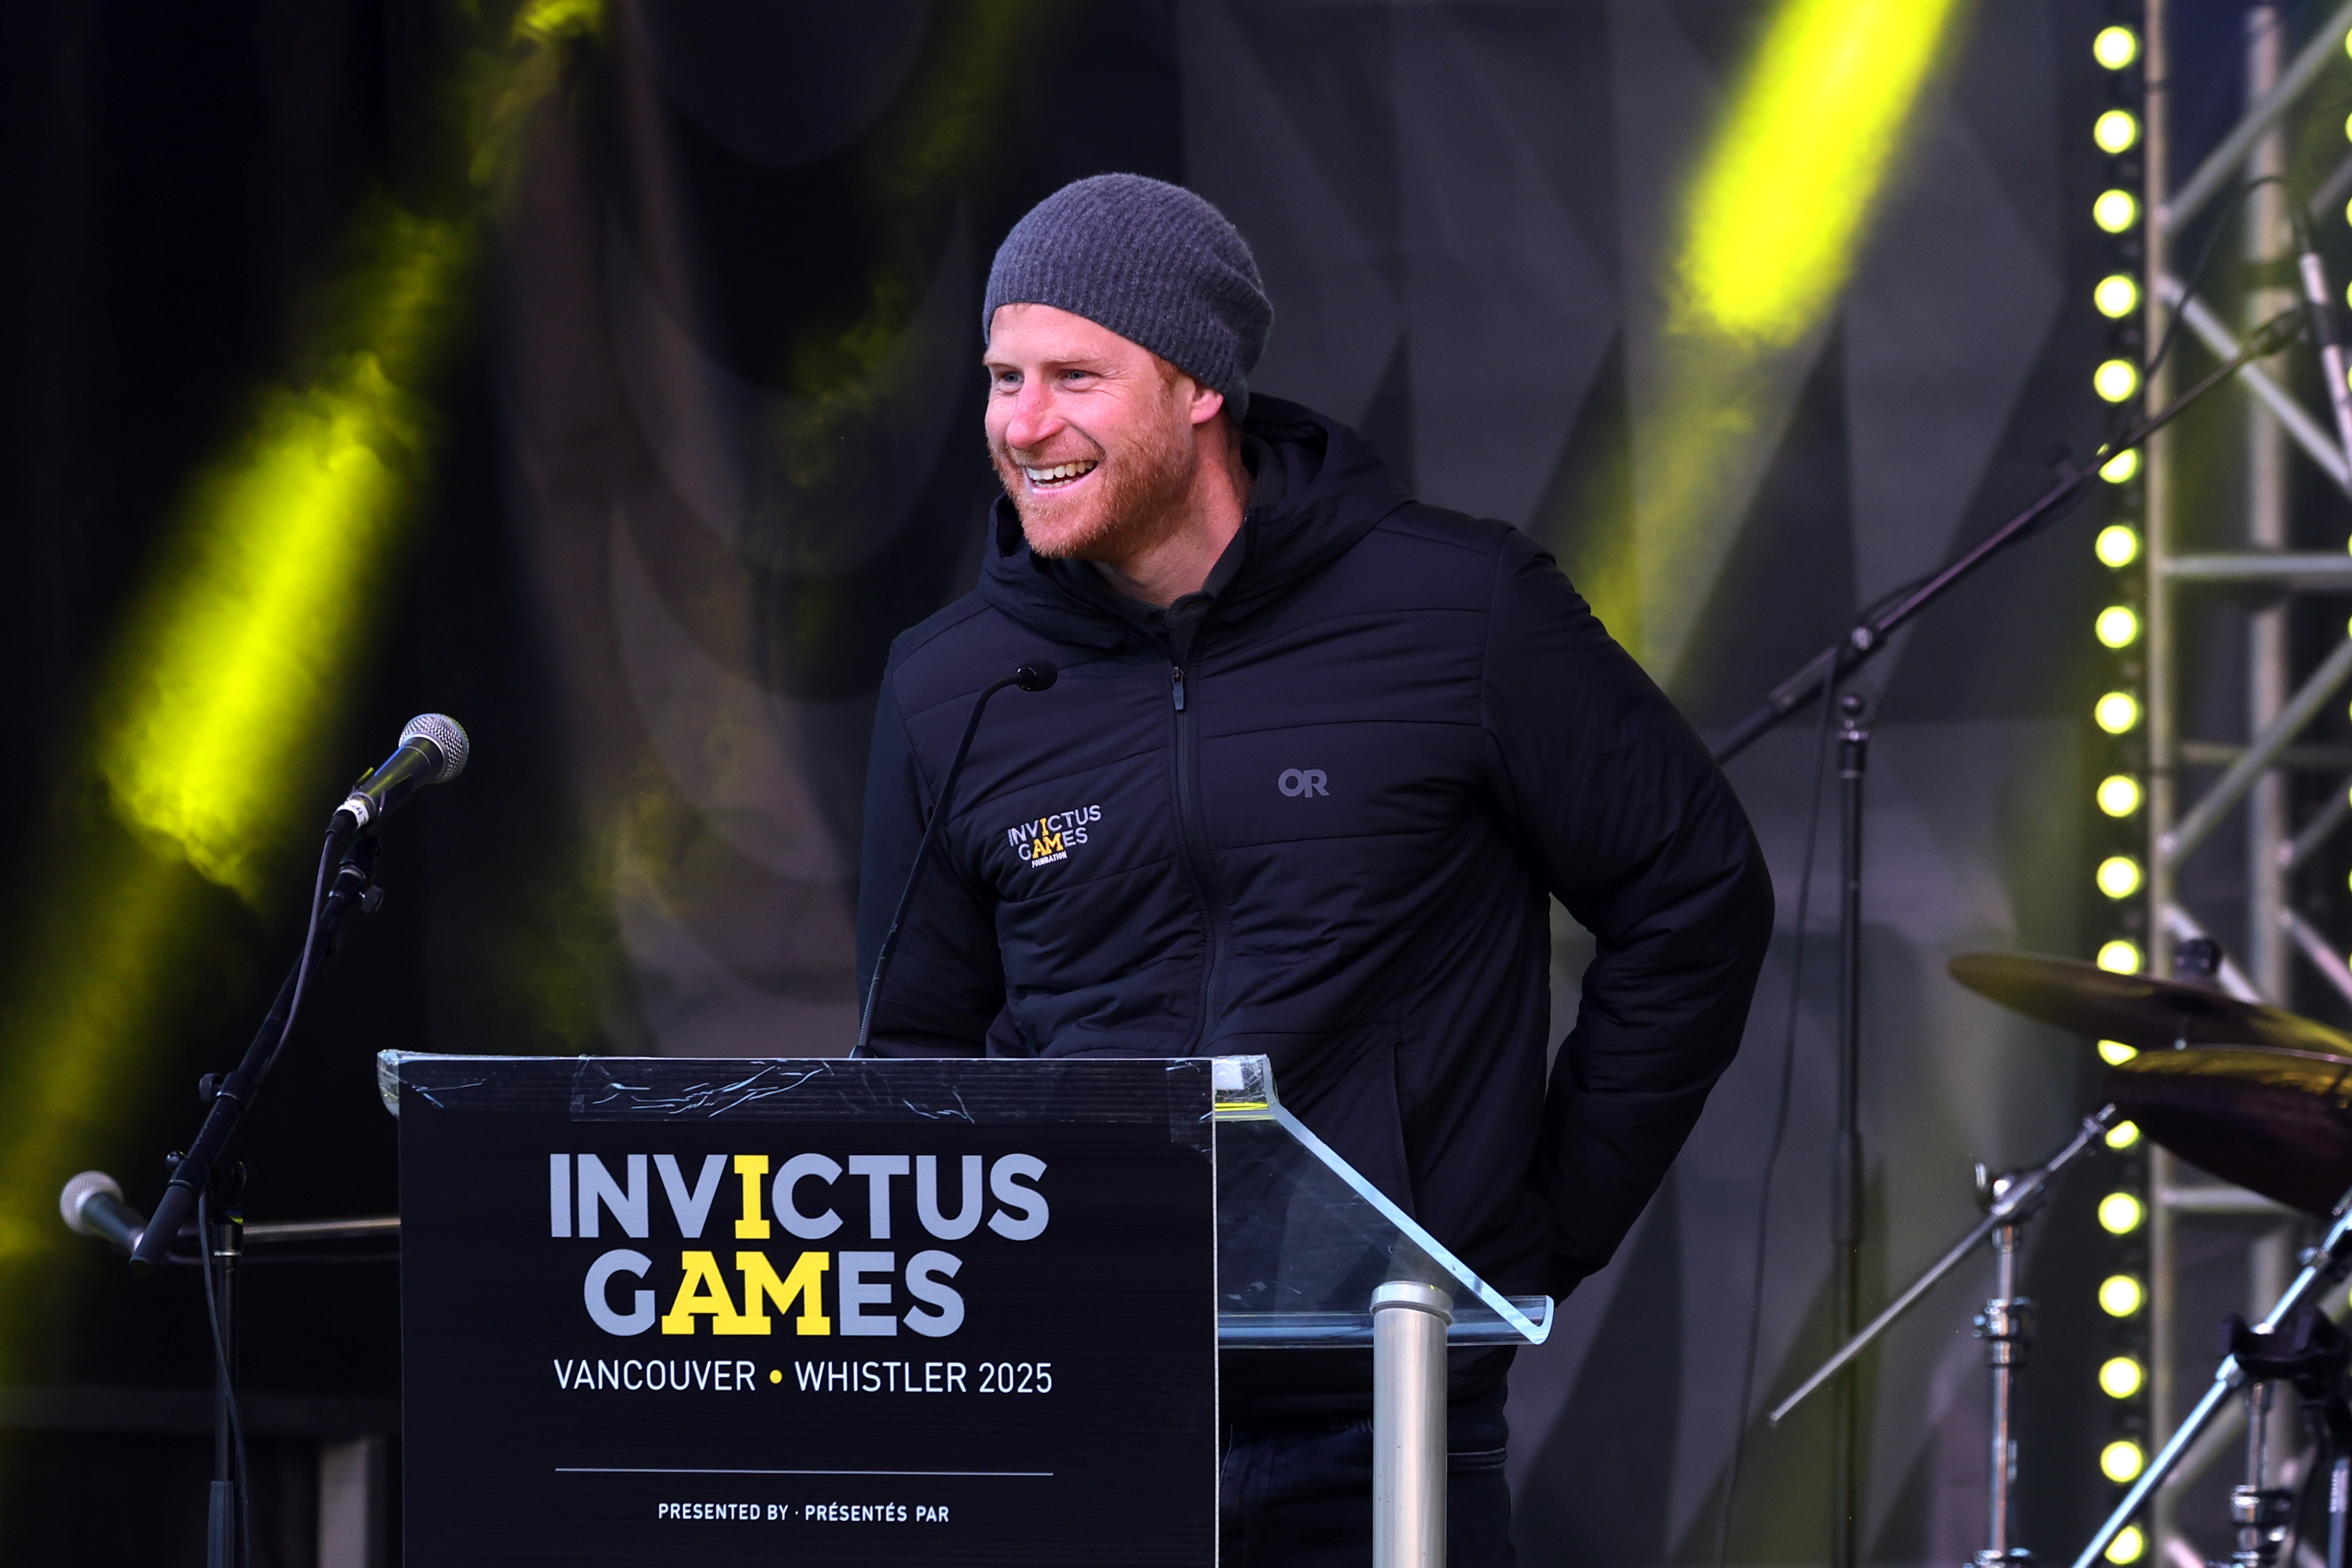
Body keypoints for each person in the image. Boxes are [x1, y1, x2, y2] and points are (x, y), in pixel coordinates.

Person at [857, 173, 1774, 1567]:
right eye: (1001, 377)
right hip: (1075, 1410)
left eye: (1074, 377)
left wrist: (1531, 1227)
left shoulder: (1461, 612)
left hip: (1384, 1414)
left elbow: (1694, 895)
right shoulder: (949, 687)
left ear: (1199, 386)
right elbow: (917, 1057)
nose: (1021, 425)